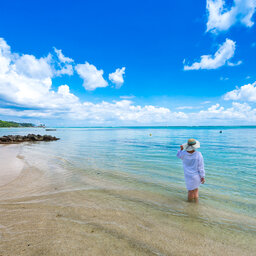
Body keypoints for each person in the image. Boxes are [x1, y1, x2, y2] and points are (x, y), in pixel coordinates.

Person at [177, 138, 205, 202]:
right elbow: (201, 167)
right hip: (196, 176)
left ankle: (189, 205)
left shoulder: (183, 154)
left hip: (188, 175)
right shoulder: (198, 154)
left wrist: (181, 149)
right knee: (196, 190)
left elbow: (178, 155)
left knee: (190, 191)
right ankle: (195, 204)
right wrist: (202, 177)